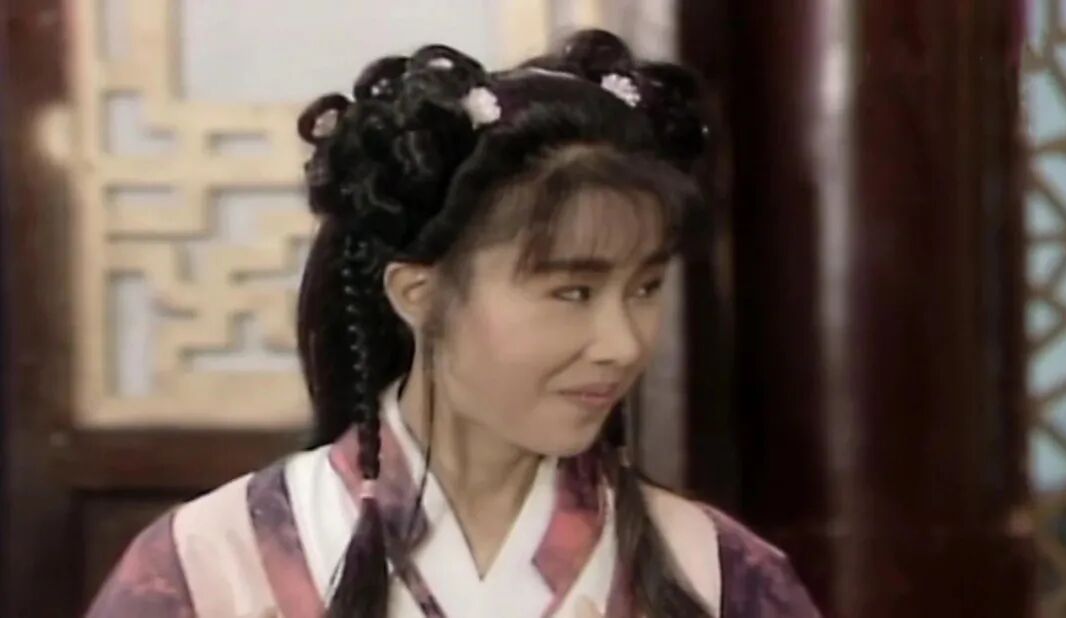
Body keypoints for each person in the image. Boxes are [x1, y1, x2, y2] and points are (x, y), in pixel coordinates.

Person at [86, 29, 820, 618]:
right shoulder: (212, 562)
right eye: (572, 292)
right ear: (418, 291)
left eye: (646, 287)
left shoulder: (718, 573)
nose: (624, 344)